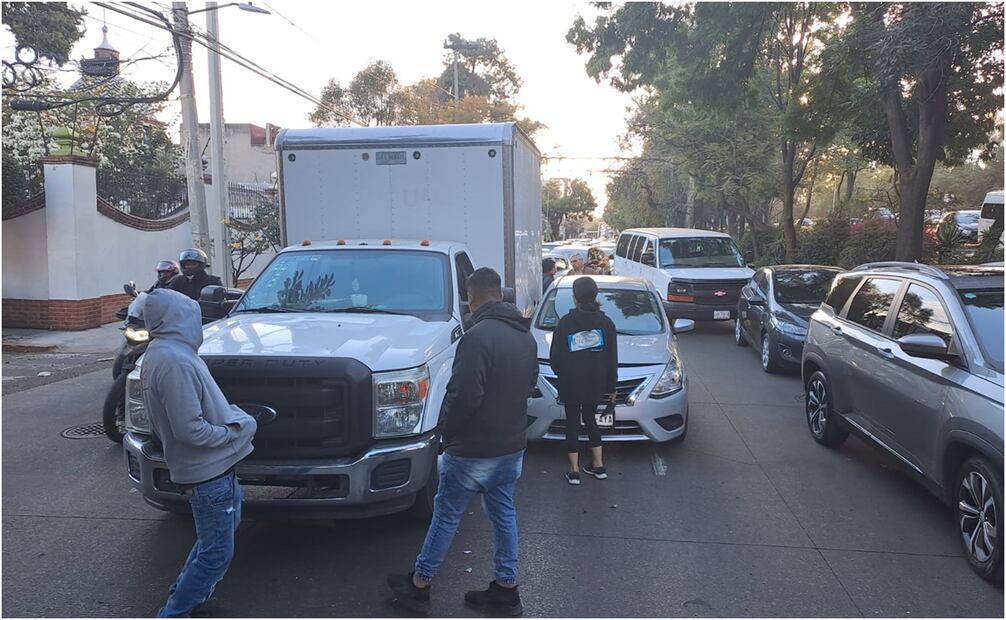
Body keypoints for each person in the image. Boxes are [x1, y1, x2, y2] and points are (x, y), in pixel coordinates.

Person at [387, 268, 538, 617]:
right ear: (500, 294)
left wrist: (446, 433)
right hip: (511, 446)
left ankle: (419, 585)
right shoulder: (525, 336)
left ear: (471, 298)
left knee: (446, 515)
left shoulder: (477, 337)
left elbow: (464, 395)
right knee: (504, 515)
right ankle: (506, 589)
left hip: (473, 449)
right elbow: (530, 383)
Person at [140, 288, 257, 618]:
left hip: (213, 471)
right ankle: (176, 612)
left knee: (212, 544)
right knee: (216, 553)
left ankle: (189, 601)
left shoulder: (168, 353)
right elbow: (190, 429)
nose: (198, 322)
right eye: (191, 315)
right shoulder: (173, 361)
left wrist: (231, 419)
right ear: (178, 319)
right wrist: (234, 433)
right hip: (208, 475)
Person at [549, 277, 618, 486]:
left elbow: (555, 356)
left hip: (570, 382)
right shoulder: (606, 323)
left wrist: (563, 374)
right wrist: (611, 386)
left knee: (572, 422)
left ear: (575, 297)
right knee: (590, 420)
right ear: (596, 295)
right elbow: (611, 358)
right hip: (595, 382)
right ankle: (598, 465)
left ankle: (574, 470)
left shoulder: (565, 323)